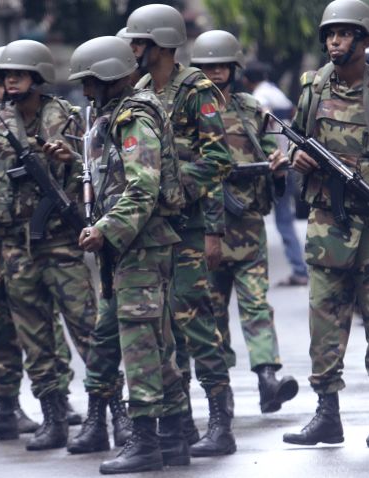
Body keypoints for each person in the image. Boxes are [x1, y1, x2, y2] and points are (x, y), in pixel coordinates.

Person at [281, 0, 369, 448]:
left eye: (344, 34)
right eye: (330, 35)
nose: (334, 42)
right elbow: (295, 140)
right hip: (328, 227)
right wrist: (295, 159)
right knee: (324, 324)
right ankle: (327, 413)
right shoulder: (315, 86)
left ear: (364, 40)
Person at [63, 36, 189, 473]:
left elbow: (143, 188)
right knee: (155, 342)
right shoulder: (115, 115)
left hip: (141, 247)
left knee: (140, 346)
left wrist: (104, 230)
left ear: (109, 79)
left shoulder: (134, 118)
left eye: (89, 83)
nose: (83, 92)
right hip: (132, 249)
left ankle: (145, 441)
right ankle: (173, 439)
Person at [0, 39, 96, 451]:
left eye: (17, 75)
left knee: (88, 330)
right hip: (14, 249)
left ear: (38, 76)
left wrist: (66, 160)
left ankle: (109, 413)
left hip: (60, 241)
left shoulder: (67, 117)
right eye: (5, 77)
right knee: (35, 339)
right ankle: (53, 417)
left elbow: (89, 180)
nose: (8, 83)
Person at [122, 4, 237, 458]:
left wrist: (178, 188)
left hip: (188, 226)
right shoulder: (142, 89)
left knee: (194, 319)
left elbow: (219, 159)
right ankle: (180, 422)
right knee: (162, 325)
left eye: (139, 41)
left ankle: (221, 422)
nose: (132, 48)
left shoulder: (197, 90)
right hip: (154, 229)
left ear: (161, 45)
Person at [190, 30, 300, 415]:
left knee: (256, 306)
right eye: (208, 66)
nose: (216, 73)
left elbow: (271, 152)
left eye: (222, 65)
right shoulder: (187, 111)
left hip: (247, 226)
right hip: (206, 230)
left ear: (234, 69)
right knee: (211, 312)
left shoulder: (249, 108)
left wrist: (277, 166)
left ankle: (268, 378)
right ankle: (220, 396)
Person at [241, 62, 309, 287]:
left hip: (278, 162)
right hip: (289, 158)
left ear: (247, 81)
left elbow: (263, 126)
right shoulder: (276, 92)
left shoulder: (261, 97)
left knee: (282, 220)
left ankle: (299, 269)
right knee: (284, 218)